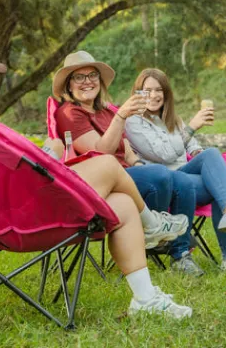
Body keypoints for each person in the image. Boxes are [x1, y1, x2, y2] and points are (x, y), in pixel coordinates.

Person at [0, 45, 192, 319]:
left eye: (91, 76)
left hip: (3, 209)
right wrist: (53, 150)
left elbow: (15, 165)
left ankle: (145, 299)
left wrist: (50, 150)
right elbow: (33, 164)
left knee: (122, 205)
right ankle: (153, 225)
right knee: (107, 164)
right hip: (25, 214)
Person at [124, 68, 226, 276]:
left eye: (159, 90)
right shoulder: (133, 122)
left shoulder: (172, 119)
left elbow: (191, 145)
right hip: (166, 186)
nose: (153, 95)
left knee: (211, 155)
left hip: (186, 177)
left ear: (166, 93)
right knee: (217, 187)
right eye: (147, 90)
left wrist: (196, 151)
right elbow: (165, 155)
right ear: (138, 93)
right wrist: (193, 126)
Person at [52, 51, 192, 250]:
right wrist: (122, 116)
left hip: (127, 174)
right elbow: (102, 153)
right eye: (79, 77)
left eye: (92, 75)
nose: (87, 82)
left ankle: (181, 251)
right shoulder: (70, 114)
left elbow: (126, 150)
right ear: (68, 84)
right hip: (104, 182)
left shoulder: (106, 110)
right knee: (160, 174)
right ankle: (153, 236)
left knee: (183, 181)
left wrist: (138, 164)